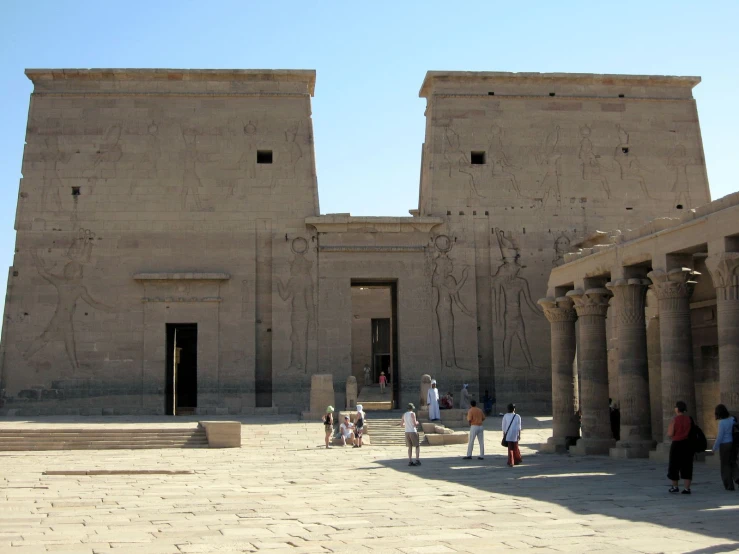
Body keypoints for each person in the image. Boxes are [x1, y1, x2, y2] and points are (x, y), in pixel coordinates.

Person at [667, 400, 693, 494]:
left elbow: (670, 433)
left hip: (677, 444)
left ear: (677, 409)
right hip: (687, 444)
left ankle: (675, 486)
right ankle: (687, 488)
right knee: (687, 465)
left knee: (674, 465)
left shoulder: (674, 420)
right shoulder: (689, 419)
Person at [712, 404, 738, 491]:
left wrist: (714, 447)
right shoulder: (732, 419)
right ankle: (737, 477)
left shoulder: (722, 423)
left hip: (724, 445)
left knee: (725, 465)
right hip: (732, 444)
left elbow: (720, 437)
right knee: (733, 462)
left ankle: (729, 485)